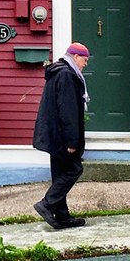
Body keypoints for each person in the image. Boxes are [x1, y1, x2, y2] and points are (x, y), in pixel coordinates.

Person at [31, 41, 90, 229]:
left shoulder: (58, 72)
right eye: (84, 60)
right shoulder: (66, 75)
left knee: (60, 174)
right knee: (74, 170)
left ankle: (62, 216)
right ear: (75, 57)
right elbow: (68, 110)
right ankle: (47, 204)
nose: (85, 64)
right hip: (61, 136)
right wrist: (72, 140)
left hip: (52, 133)